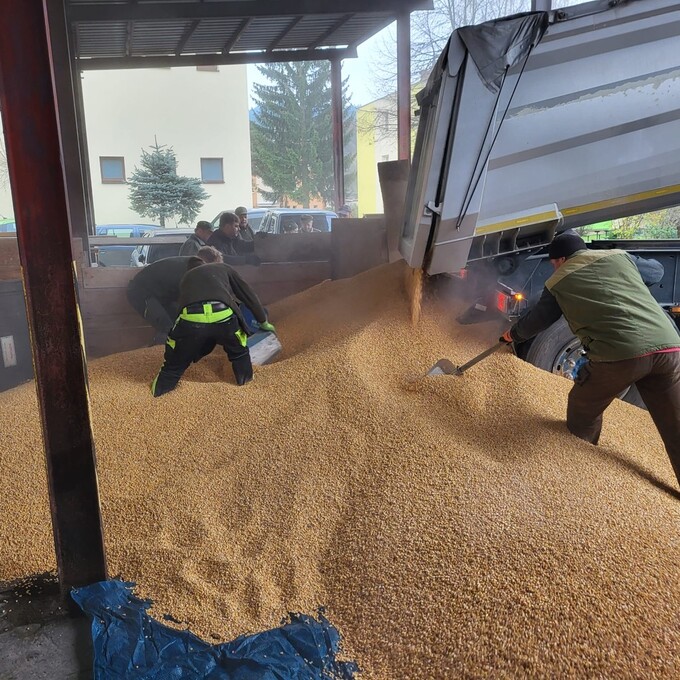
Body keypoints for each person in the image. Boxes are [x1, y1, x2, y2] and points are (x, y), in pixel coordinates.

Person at [502, 231, 680, 488]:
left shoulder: (558, 282)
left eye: (553, 263)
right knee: (674, 422)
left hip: (621, 354)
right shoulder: (619, 256)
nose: (553, 268)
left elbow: (538, 321)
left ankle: (581, 467)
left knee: (583, 406)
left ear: (561, 259)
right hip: (669, 349)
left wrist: (511, 334)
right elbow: (656, 272)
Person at [150, 247, 275, 397]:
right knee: (239, 353)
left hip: (191, 320)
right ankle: (247, 389)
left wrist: (179, 348)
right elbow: (248, 295)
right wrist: (263, 321)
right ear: (216, 261)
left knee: (173, 366)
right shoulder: (223, 267)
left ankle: (157, 395)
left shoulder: (186, 277)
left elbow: (182, 308)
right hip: (223, 316)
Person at [127, 256, 193, 344]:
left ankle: (170, 352)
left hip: (161, 295)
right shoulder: (188, 272)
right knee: (167, 327)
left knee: (176, 324)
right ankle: (156, 354)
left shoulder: (189, 265)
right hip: (141, 293)